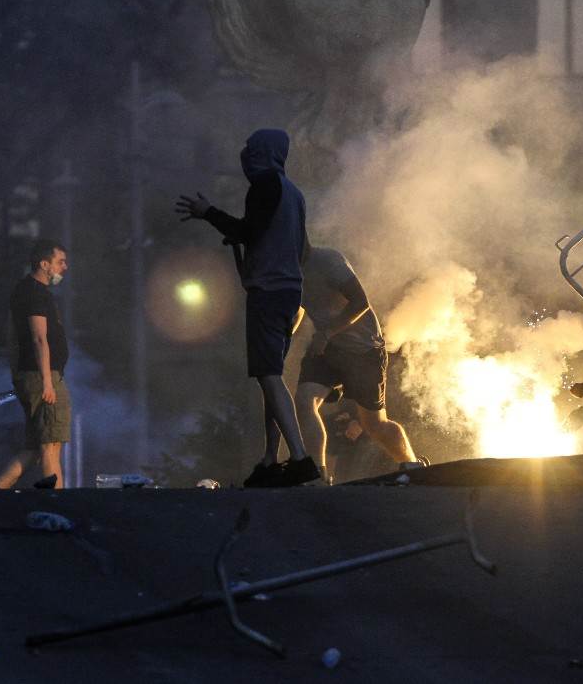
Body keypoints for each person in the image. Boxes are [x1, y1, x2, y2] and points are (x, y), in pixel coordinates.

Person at [176, 128, 319, 487]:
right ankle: (271, 460)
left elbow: (249, 231)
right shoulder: (294, 194)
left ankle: (299, 459)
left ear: (266, 153)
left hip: (268, 292)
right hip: (289, 291)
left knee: (268, 375)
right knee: (272, 376)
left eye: (251, 149)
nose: (245, 155)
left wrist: (208, 212)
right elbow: (302, 249)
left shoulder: (266, 186)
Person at [293, 245, 422, 476]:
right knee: (304, 401)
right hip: (328, 351)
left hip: (364, 351)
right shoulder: (287, 268)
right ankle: (316, 475)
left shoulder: (328, 261)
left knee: (375, 425)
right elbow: (301, 303)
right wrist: (287, 332)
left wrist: (327, 333)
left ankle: (412, 467)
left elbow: (361, 303)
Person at [0, 239, 72, 489]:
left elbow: (16, 337)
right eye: (60, 262)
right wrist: (47, 382)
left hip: (33, 376)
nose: (65, 267)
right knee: (51, 446)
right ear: (44, 264)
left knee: (34, 448)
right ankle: (57, 504)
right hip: (42, 377)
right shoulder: (35, 293)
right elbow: (39, 338)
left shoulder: (25, 290)